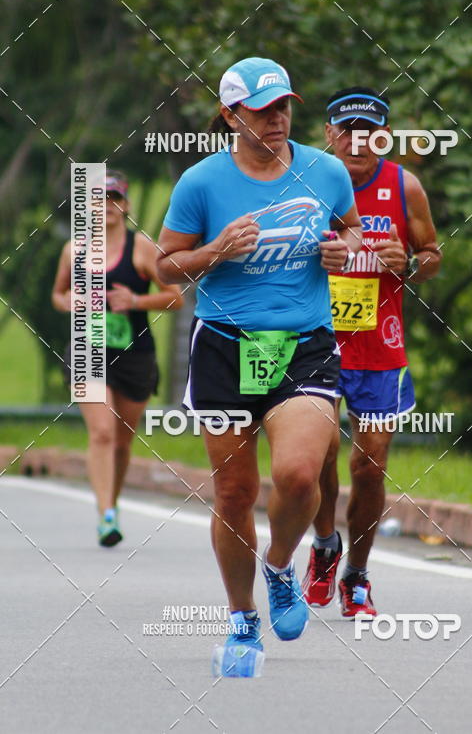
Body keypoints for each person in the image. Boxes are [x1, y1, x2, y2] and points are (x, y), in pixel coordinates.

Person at [156, 57, 362, 663]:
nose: (276, 119)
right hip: (224, 347)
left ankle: (278, 568)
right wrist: (216, 250)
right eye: (262, 110)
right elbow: (165, 263)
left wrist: (342, 251)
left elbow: (350, 231)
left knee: (300, 475)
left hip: (303, 345)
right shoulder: (200, 182)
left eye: (284, 107)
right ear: (230, 115)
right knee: (234, 493)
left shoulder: (325, 171)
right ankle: (243, 619)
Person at [302, 87, 441, 617]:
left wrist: (408, 262)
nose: (357, 142)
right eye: (346, 131)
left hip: (379, 347)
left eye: (369, 132)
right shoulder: (304, 183)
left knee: (369, 467)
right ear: (328, 134)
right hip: (313, 341)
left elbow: (432, 256)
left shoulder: (404, 186)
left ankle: (356, 575)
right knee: (317, 456)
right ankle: (322, 546)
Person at [52, 171, 183, 546]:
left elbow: (175, 297)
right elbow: (58, 295)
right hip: (86, 350)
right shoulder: (73, 251)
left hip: (134, 354)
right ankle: (106, 515)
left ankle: (112, 500)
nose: (106, 207)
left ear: (124, 206)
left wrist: (137, 301)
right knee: (103, 432)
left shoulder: (141, 248)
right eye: (98, 200)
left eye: (113, 199)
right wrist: (70, 303)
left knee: (122, 441)